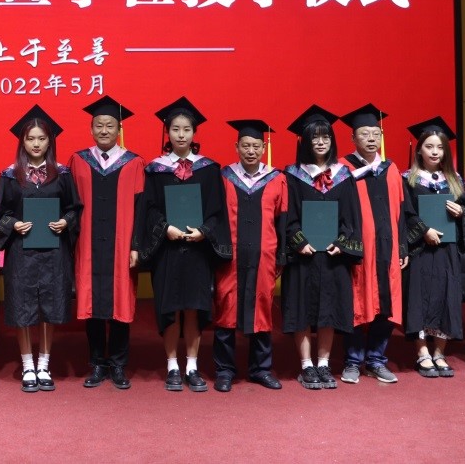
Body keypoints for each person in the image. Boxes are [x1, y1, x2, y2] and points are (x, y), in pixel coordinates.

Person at [136, 98, 228, 393]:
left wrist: (204, 232)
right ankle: (172, 366)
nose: (181, 135)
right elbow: (148, 210)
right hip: (168, 250)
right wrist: (166, 229)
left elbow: (217, 211)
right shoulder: (155, 170)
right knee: (170, 308)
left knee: (194, 308)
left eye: (186, 129)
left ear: (194, 133)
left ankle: (192, 366)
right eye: (175, 129)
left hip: (198, 251)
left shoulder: (209, 170)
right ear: (168, 132)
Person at [0, 105, 82, 392]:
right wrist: (13, 224)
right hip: (22, 253)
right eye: (31, 139)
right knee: (23, 307)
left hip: (54, 252)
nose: (36, 144)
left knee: (50, 307)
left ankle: (44, 364)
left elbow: (74, 208)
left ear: (50, 142)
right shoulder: (10, 176)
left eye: (42, 138)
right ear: (23, 142)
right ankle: (27, 364)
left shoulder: (62, 174)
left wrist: (66, 222)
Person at [281, 105, 363, 391]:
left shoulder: (344, 176)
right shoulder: (292, 175)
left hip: (331, 256)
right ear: (305, 141)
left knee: (329, 309)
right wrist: (298, 241)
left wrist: (341, 243)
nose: (320, 142)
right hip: (303, 257)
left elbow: (351, 218)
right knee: (302, 309)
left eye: (325, 136)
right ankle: (306, 365)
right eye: (314, 137)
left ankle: (324, 364)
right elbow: (287, 215)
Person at [66, 95, 145, 390]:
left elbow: (140, 209)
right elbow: (70, 205)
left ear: (118, 129)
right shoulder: (78, 161)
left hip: (121, 246)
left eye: (110, 125)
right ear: (91, 129)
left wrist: (136, 245)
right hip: (87, 245)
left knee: (121, 302)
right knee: (92, 303)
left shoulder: (134, 163)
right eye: (98, 125)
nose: (104, 130)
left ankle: (119, 364)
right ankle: (98, 363)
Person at [338, 103, 412, 385]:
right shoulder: (344, 169)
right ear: (353, 138)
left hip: (388, 250)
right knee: (357, 304)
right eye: (364, 134)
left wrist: (402, 247)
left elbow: (402, 212)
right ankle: (352, 361)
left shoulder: (391, 169)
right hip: (358, 251)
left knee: (386, 305)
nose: (371, 139)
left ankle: (376, 360)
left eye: (376, 134)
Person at [212, 119, 287, 392]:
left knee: (262, 309)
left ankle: (261, 369)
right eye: (245, 146)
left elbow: (282, 220)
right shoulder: (224, 177)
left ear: (264, 148)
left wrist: (281, 255)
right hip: (229, 257)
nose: (251, 151)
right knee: (226, 309)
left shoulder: (277, 179)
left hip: (263, 255)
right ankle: (224, 370)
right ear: (236, 147)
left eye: (256, 146)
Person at [401, 117, 465, 378]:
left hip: (446, 251)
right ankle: (422, 353)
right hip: (420, 250)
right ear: (419, 149)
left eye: (440, 147)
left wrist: (461, 212)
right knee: (418, 297)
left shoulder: (455, 180)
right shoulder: (408, 179)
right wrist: (424, 231)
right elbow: (405, 214)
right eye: (429, 146)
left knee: (446, 296)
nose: (434, 152)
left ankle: (440, 352)